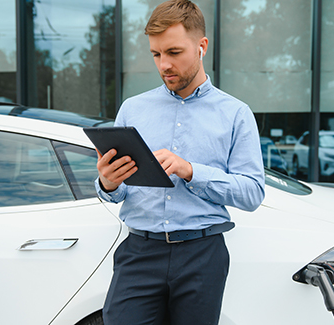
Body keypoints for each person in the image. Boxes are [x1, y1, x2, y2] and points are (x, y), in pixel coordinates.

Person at [95, 0, 265, 324]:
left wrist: (190, 171)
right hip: (139, 252)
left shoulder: (235, 114)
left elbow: (253, 192)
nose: (163, 65)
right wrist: (108, 182)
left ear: (201, 46)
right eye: (156, 54)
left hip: (202, 256)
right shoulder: (132, 109)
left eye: (174, 52)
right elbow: (116, 192)